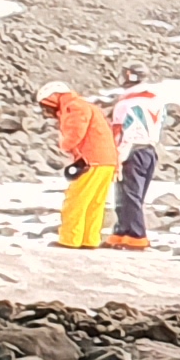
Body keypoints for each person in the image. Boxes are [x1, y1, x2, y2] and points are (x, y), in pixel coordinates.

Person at [44, 87, 117, 250]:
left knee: (76, 199)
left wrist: (65, 145)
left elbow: (76, 132)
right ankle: (89, 239)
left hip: (90, 159)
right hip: (107, 160)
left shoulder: (73, 107)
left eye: (45, 106)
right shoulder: (86, 105)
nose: (46, 111)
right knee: (94, 202)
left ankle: (70, 239)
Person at [104, 72, 165, 247]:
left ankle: (136, 236)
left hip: (131, 150)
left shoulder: (125, 104)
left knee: (127, 194)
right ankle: (123, 232)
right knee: (137, 195)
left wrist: (117, 157)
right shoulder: (157, 101)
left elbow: (120, 132)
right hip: (150, 150)